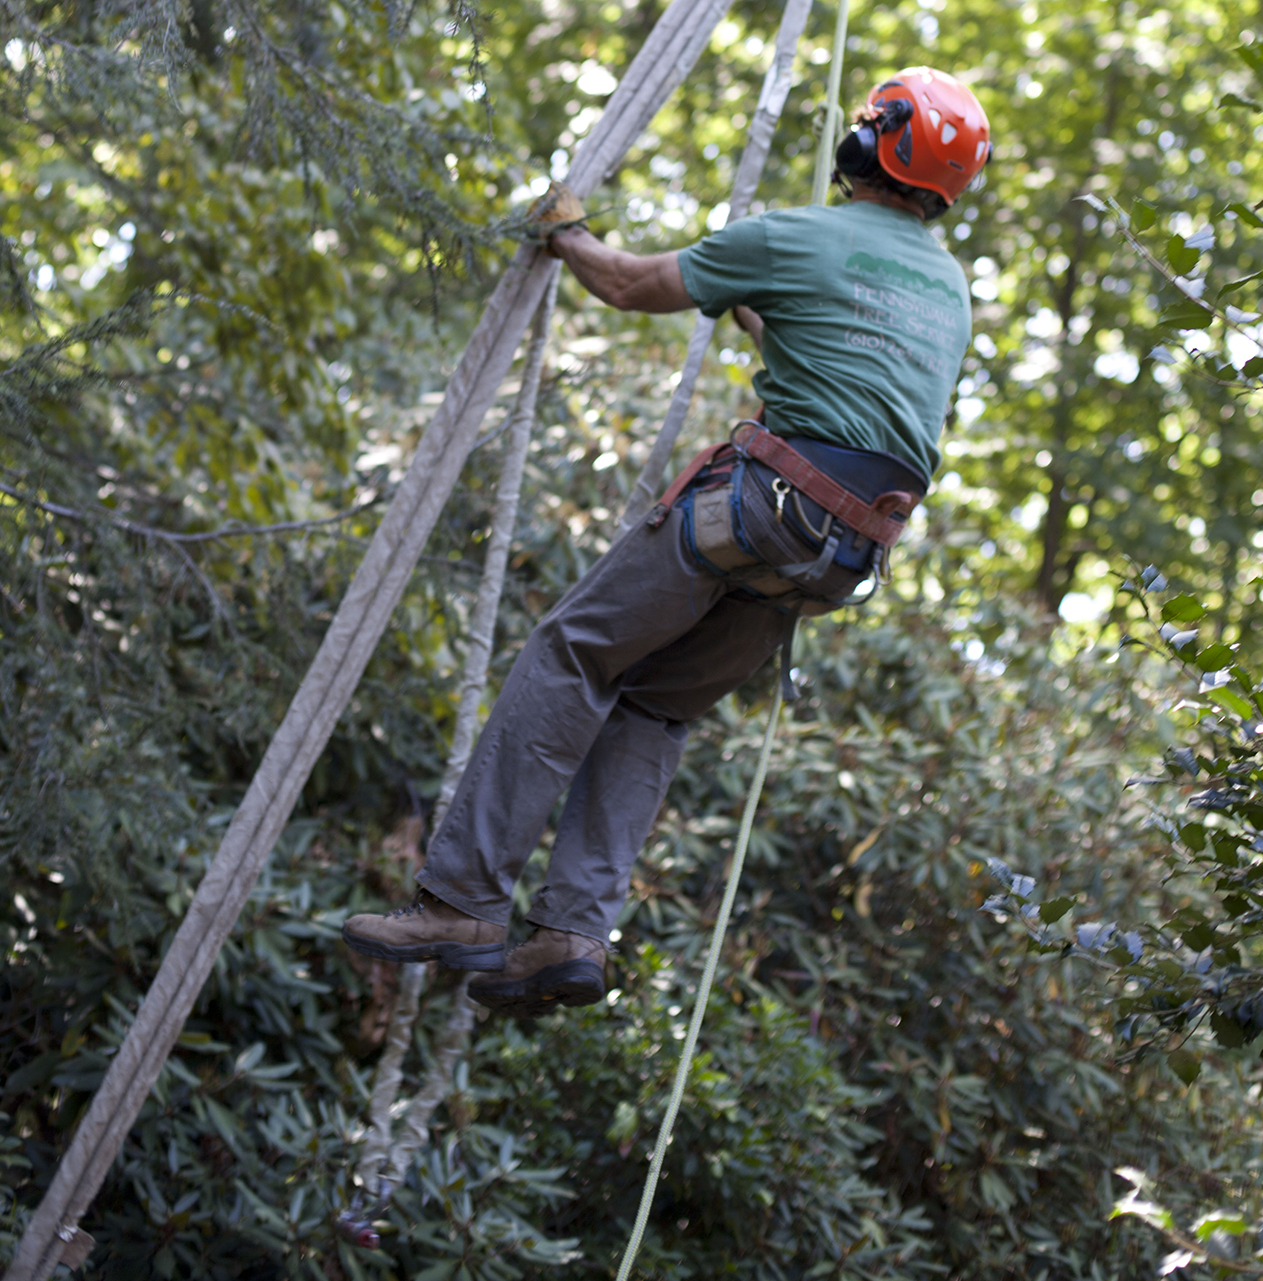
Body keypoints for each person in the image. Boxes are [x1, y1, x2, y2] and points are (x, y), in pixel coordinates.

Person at [342, 65, 990, 1015]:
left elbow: (630, 284)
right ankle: (569, 934)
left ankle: (463, 904)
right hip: (838, 557)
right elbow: (857, 375)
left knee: (573, 656)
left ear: (865, 145)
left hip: (759, 509)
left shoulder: (796, 236)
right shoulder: (947, 290)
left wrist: (565, 233)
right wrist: (754, 308)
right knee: (652, 711)